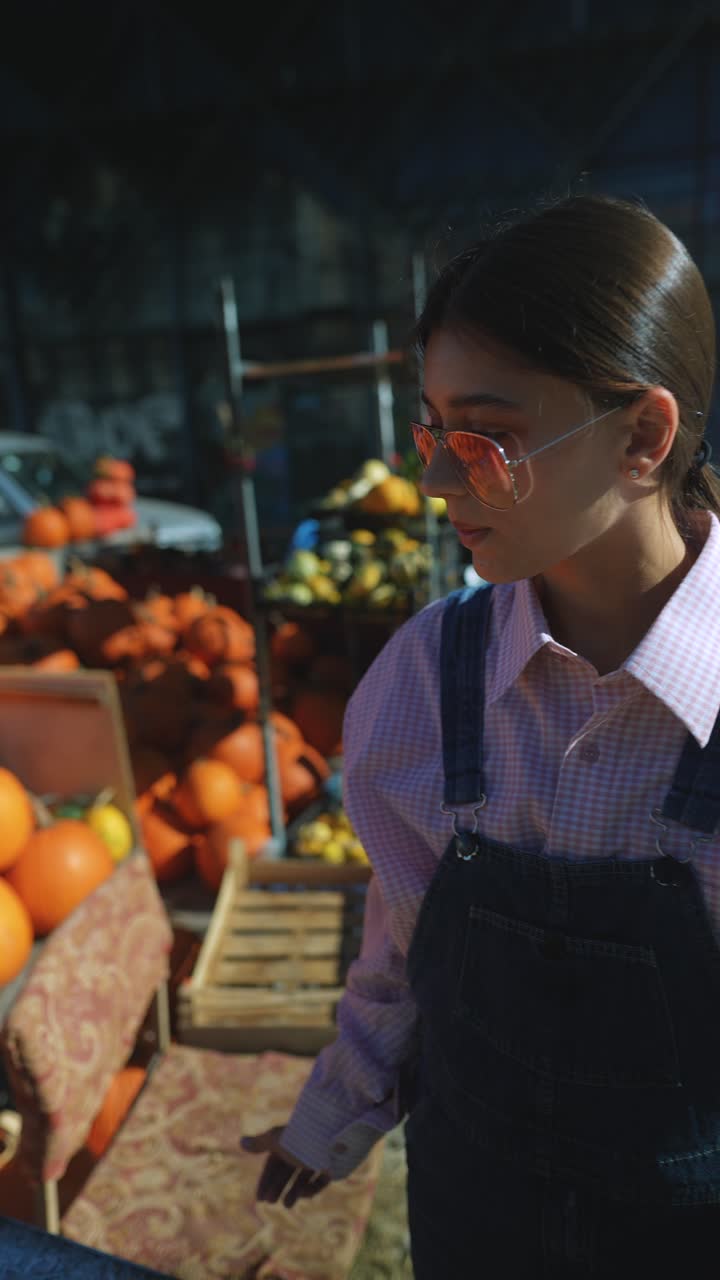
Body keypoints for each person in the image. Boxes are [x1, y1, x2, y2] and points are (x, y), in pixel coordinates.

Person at [242, 194, 720, 1276]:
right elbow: (402, 954)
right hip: (472, 1223)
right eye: (433, 428)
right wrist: (335, 1112)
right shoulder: (421, 682)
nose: (438, 479)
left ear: (644, 435)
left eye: (489, 437)